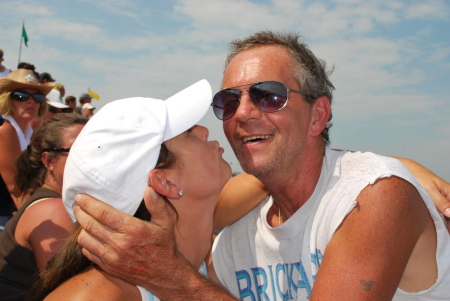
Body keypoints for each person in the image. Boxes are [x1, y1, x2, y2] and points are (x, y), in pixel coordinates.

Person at [72, 32, 450, 300]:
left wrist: (174, 280)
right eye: (228, 101)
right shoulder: (234, 244)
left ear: (318, 116)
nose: (243, 113)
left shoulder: (373, 196)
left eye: (268, 96)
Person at [27, 80, 241, 300]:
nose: (204, 131)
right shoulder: (94, 296)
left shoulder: (197, 261)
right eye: (188, 132)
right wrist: (179, 281)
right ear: (164, 182)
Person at [0, 114, 88, 300]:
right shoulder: (53, 210)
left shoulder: (55, 202)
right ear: (48, 161)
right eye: (79, 150)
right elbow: (68, 292)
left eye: (97, 148)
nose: (91, 157)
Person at [0, 69, 51, 227]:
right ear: (8, 99)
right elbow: (15, 187)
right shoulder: (5, 128)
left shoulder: (29, 130)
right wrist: (41, 223)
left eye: (37, 97)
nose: (31, 101)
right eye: (21, 96)